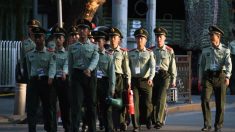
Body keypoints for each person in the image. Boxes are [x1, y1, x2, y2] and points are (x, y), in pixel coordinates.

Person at [199, 25, 232, 132]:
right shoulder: (205, 50)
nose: (211, 37)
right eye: (210, 35)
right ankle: (207, 124)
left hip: (220, 77)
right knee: (204, 100)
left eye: (212, 35)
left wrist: (227, 76)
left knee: (220, 103)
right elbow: (201, 65)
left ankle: (218, 125)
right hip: (208, 77)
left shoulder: (225, 50)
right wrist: (200, 79)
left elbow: (228, 64)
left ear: (218, 37)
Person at [68, 19, 99, 132]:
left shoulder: (94, 46)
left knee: (91, 105)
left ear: (88, 31)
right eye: (80, 29)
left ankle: (92, 129)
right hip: (77, 76)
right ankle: (75, 129)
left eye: (84, 29)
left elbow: (96, 59)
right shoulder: (72, 47)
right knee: (76, 105)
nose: (82, 31)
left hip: (89, 77)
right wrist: (70, 79)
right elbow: (70, 64)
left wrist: (89, 69)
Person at [25, 27, 56, 132]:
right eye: (36, 37)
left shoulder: (50, 53)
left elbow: (52, 65)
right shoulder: (29, 54)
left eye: (40, 37)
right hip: (34, 82)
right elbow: (28, 69)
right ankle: (32, 129)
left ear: (44, 38)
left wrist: (51, 77)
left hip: (46, 82)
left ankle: (49, 128)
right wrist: (30, 79)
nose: (38, 39)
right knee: (31, 108)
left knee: (48, 107)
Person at [128, 28, 155, 132]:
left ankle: (148, 120)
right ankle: (136, 125)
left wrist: (151, 78)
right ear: (135, 39)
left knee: (148, 103)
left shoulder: (149, 53)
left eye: (142, 38)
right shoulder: (130, 53)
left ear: (145, 40)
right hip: (134, 81)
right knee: (134, 103)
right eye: (138, 38)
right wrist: (129, 81)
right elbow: (128, 68)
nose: (140, 40)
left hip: (146, 81)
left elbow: (152, 67)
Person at [151, 27, 177, 129]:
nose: (159, 38)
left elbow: (172, 66)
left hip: (165, 76)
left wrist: (173, 80)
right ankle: (154, 118)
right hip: (154, 76)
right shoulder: (151, 50)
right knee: (153, 99)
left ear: (164, 38)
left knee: (161, 98)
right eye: (157, 36)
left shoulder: (169, 51)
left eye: (160, 36)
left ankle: (159, 120)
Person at [107, 27, 131, 131]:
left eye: (114, 37)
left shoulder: (123, 52)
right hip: (108, 79)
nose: (112, 39)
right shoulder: (106, 51)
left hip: (119, 78)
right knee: (110, 101)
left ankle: (121, 122)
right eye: (111, 37)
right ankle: (112, 124)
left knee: (120, 101)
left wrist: (128, 81)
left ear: (119, 39)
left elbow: (126, 68)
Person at [92, 30, 116, 132]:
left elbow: (112, 74)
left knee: (106, 109)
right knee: (92, 107)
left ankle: (109, 128)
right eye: (95, 41)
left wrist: (112, 88)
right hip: (92, 83)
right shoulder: (91, 55)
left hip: (104, 84)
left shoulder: (108, 56)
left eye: (99, 41)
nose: (97, 43)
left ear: (104, 42)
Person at [51, 26, 71, 132]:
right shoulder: (50, 53)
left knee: (65, 105)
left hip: (63, 81)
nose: (58, 40)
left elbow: (67, 64)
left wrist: (64, 71)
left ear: (63, 39)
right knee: (52, 105)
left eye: (60, 37)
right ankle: (52, 127)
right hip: (53, 81)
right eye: (56, 37)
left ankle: (67, 126)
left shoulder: (67, 53)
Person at [19, 19, 40, 83]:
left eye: (33, 27)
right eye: (30, 27)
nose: (31, 29)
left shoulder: (41, 41)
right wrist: (21, 68)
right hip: (27, 68)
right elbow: (22, 56)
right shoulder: (24, 42)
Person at [228, 28, 235, 95]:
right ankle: (233, 90)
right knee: (232, 75)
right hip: (233, 59)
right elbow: (228, 53)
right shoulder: (231, 43)